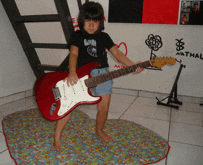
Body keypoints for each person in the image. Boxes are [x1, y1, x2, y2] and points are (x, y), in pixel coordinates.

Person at [52, 1, 144, 151]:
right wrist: (72, 72)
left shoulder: (104, 37)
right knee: (67, 107)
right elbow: (73, 54)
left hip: (102, 75)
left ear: (100, 22)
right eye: (88, 20)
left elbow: (118, 54)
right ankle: (57, 137)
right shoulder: (77, 36)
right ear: (82, 21)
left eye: (95, 21)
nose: (91, 24)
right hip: (80, 77)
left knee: (103, 108)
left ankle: (99, 129)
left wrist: (132, 65)